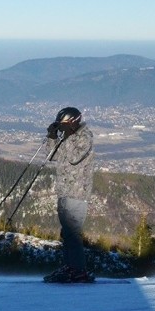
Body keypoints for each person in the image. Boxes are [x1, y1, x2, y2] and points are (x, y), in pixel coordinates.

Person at [43, 107, 96, 283]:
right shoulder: (68, 136)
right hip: (64, 191)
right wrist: (52, 138)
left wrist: (67, 135)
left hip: (77, 192)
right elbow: (52, 156)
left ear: (73, 122)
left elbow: (74, 157)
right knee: (67, 233)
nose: (62, 128)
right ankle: (70, 266)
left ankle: (79, 270)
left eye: (64, 124)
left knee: (73, 233)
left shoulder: (84, 137)